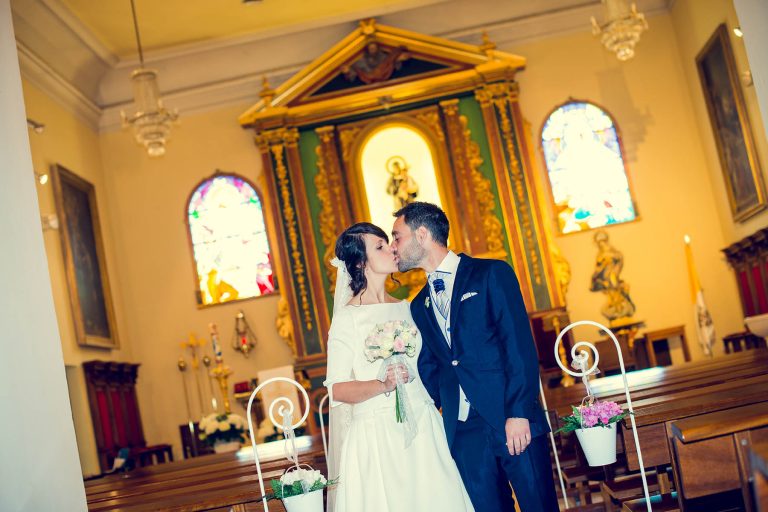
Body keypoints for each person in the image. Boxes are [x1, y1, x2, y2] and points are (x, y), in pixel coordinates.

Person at [391, 202, 559, 512]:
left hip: (511, 417)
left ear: (423, 234)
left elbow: (518, 346)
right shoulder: (419, 305)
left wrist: (519, 412)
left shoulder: (490, 274)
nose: (393, 246)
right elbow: (432, 368)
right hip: (465, 433)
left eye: (397, 236)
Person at [323, 222, 473, 512]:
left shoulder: (408, 308)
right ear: (360, 263)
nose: (391, 248)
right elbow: (338, 389)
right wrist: (382, 385)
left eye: (388, 241)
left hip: (423, 423)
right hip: (377, 436)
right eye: (379, 246)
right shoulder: (348, 319)